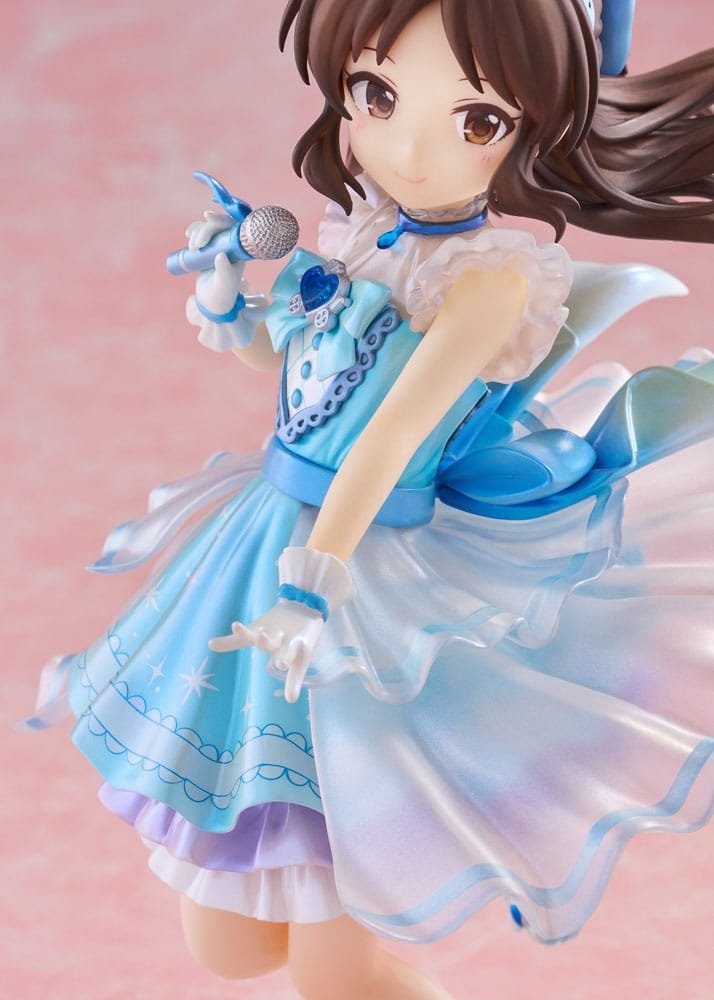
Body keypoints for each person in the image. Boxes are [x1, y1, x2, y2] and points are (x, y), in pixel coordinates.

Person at [23, 2, 714, 997]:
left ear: (531, 130)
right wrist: (226, 300)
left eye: (477, 119)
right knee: (228, 945)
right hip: (261, 533)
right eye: (376, 95)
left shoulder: (489, 282)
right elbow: (298, 377)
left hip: (360, 572)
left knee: (333, 962)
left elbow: (390, 438)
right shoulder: (362, 235)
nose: (412, 150)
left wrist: (312, 588)